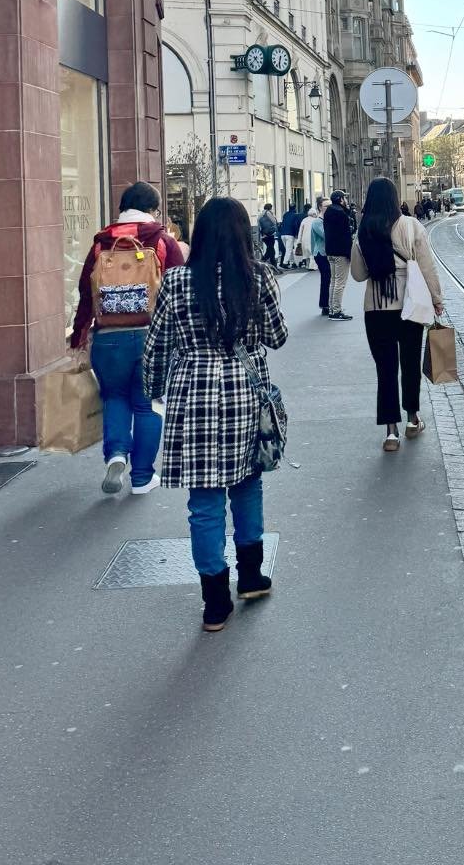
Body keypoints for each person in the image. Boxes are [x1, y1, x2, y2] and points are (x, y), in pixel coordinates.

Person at [142, 196, 288, 633]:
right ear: (245, 236)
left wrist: (152, 391)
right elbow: (277, 337)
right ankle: (252, 577)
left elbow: (158, 345)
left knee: (204, 502)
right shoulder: (256, 277)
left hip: (193, 396)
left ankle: (214, 603)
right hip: (244, 393)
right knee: (247, 485)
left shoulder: (177, 281)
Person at [70, 181, 185, 496]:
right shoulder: (161, 241)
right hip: (152, 336)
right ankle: (142, 477)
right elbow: (181, 290)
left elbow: (84, 293)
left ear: (121, 209)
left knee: (113, 398)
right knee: (147, 405)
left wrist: (79, 337)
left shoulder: (100, 245)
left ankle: (116, 453)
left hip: (107, 338)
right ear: (152, 210)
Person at [350, 177, 445, 452]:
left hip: (377, 308)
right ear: (394, 198)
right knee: (410, 363)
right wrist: (437, 299)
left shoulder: (364, 231)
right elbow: (427, 267)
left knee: (386, 369)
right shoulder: (411, 225)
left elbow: (358, 275)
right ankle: (413, 420)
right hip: (410, 304)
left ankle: (391, 433)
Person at [323, 190, 355, 319]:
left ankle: (332, 308)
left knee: (333, 281)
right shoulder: (341, 213)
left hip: (330, 250)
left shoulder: (329, 211)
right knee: (340, 282)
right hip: (341, 251)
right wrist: (350, 253)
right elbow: (346, 235)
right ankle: (336, 310)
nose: (346, 200)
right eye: (344, 198)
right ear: (341, 199)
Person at [311, 195, 331, 313]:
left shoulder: (325, 220)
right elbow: (326, 236)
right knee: (326, 278)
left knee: (328, 278)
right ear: (320, 207)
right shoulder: (317, 222)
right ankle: (324, 305)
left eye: (330, 205)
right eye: (326, 206)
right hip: (320, 254)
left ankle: (327, 304)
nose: (329, 208)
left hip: (326, 253)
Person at [295, 203, 315, 270]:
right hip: (312, 238)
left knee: (306, 254)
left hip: (304, 239)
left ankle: (307, 265)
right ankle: (312, 266)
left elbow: (300, 231)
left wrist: (299, 240)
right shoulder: (315, 220)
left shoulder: (304, 220)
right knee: (312, 253)